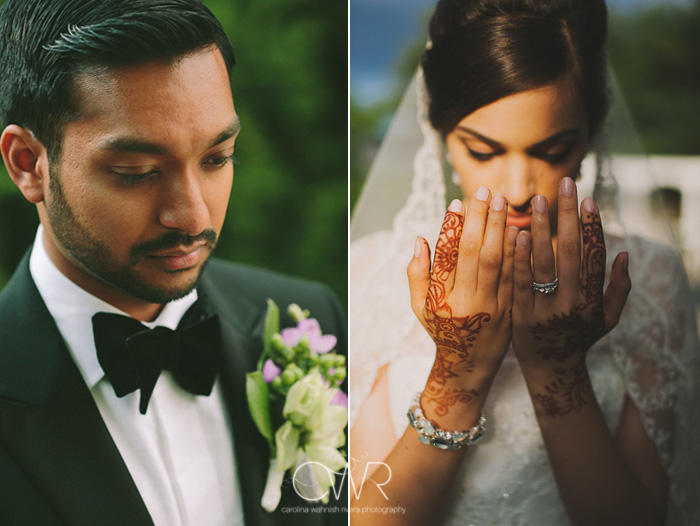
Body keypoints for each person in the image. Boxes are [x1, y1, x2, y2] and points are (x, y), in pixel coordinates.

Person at [349, 0, 700, 525]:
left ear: (589, 136)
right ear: (442, 136)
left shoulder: (647, 279)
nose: (517, 190)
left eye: (552, 150)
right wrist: (458, 372)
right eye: (483, 151)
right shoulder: (370, 272)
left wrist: (557, 370)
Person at [0, 1, 346, 525]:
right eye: (136, 172)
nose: (192, 214)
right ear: (29, 164)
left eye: (217, 158)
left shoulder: (311, 317)